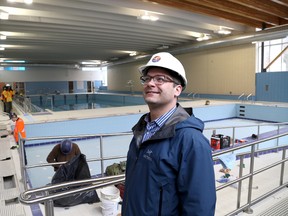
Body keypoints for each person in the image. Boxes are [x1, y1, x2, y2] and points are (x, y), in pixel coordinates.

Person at [122, 52, 216, 215]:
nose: (150, 83)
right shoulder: (141, 131)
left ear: (177, 90)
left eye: (160, 79)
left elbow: (199, 208)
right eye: (147, 78)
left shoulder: (191, 141)